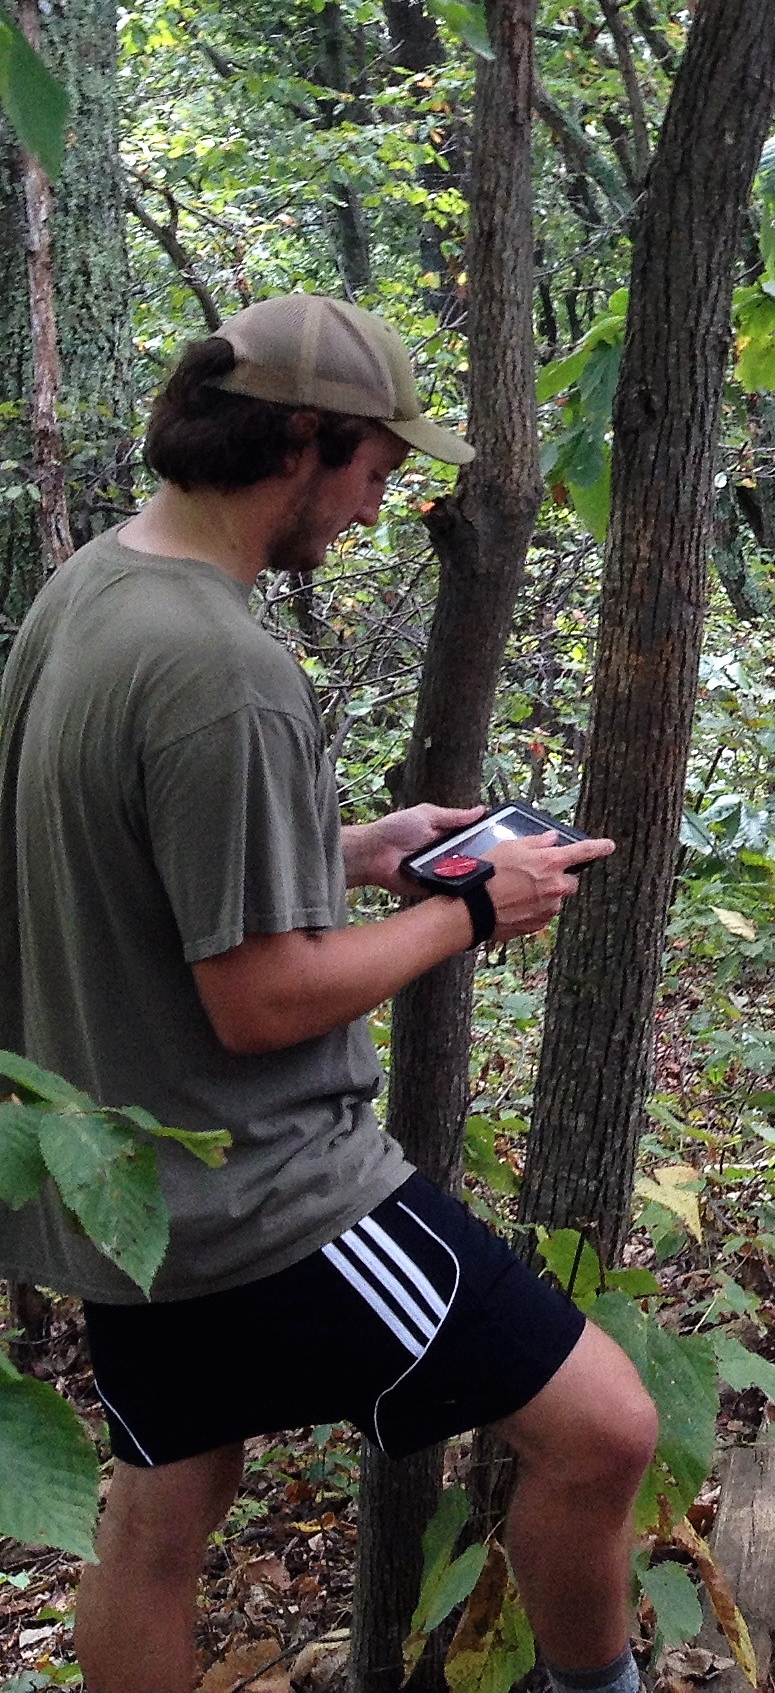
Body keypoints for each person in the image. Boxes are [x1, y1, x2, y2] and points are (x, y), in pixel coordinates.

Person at [0, 297, 660, 1693]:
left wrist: (350, 851)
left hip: (123, 1184)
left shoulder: (93, 593)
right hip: (264, 1198)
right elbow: (261, 1000)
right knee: (605, 1428)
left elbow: (120, 863)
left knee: (157, 1517)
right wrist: (473, 909)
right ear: (304, 440)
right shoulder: (222, 672)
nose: (379, 503)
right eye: (377, 467)